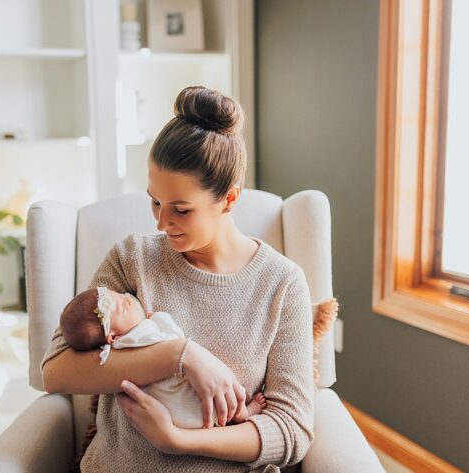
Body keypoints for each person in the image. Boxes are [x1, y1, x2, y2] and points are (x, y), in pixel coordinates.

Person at [41, 86, 314, 472]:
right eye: (154, 201)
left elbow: (292, 429)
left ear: (230, 199)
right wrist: (181, 356)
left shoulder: (282, 284)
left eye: (181, 210)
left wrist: (178, 440)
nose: (161, 222)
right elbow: (57, 370)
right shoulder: (132, 258)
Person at [58, 286, 267, 429]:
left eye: (122, 295)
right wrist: (159, 318)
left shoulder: (115, 351)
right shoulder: (138, 336)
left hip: (177, 418)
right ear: (113, 336)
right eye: (123, 306)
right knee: (226, 388)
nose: (128, 298)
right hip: (186, 401)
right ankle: (243, 412)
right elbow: (175, 338)